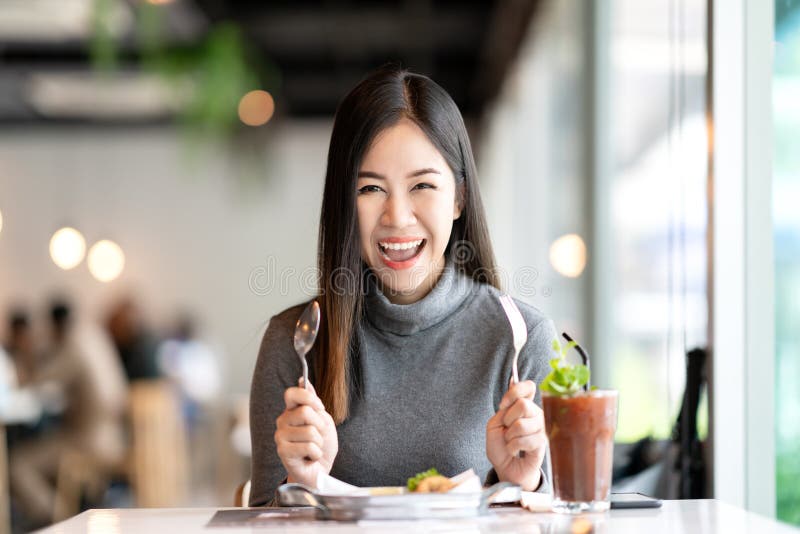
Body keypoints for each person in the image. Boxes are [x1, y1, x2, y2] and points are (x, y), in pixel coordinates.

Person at [249, 66, 558, 507]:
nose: (397, 216)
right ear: (343, 204)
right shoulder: (296, 342)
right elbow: (258, 523)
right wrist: (304, 486)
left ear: (459, 198)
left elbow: (565, 521)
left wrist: (519, 486)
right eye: (371, 188)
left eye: (423, 185)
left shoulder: (521, 340)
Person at [9, 300, 128, 526]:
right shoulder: (96, 337)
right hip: (115, 435)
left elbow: (38, 381)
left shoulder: (74, 347)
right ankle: (69, 509)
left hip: (88, 440)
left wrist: (27, 354)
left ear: (55, 326)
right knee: (47, 446)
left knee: (18, 463)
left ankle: (56, 519)